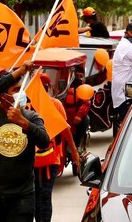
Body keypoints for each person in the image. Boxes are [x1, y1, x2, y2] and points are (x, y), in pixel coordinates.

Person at [0, 61, 50, 222]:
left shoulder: (31, 117)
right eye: (15, 90)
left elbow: (45, 141)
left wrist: (23, 123)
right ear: (3, 95)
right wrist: (19, 71)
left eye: (21, 90)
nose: (20, 94)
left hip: (21, 196)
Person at [34, 74, 79, 222]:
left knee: (45, 194)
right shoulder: (26, 106)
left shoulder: (55, 104)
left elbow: (65, 129)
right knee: (34, 195)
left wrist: (74, 151)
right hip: (30, 160)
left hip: (51, 158)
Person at [62, 66, 90, 154]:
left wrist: (79, 115)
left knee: (86, 120)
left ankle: (75, 144)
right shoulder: (63, 85)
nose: (78, 77)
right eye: (76, 75)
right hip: (64, 115)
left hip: (75, 116)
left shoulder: (82, 87)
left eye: (80, 75)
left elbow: (86, 103)